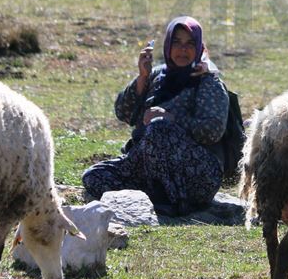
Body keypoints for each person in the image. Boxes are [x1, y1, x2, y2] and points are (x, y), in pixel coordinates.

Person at [82, 16, 229, 216]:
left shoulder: (207, 82)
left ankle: (176, 201)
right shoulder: (157, 75)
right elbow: (123, 113)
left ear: (199, 48)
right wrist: (142, 77)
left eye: (190, 43)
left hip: (196, 175)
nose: (182, 49)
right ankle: (154, 199)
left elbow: (213, 131)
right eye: (176, 42)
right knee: (94, 177)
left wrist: (170, 118)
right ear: (168, 45)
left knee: (159, 128)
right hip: (147, 168)